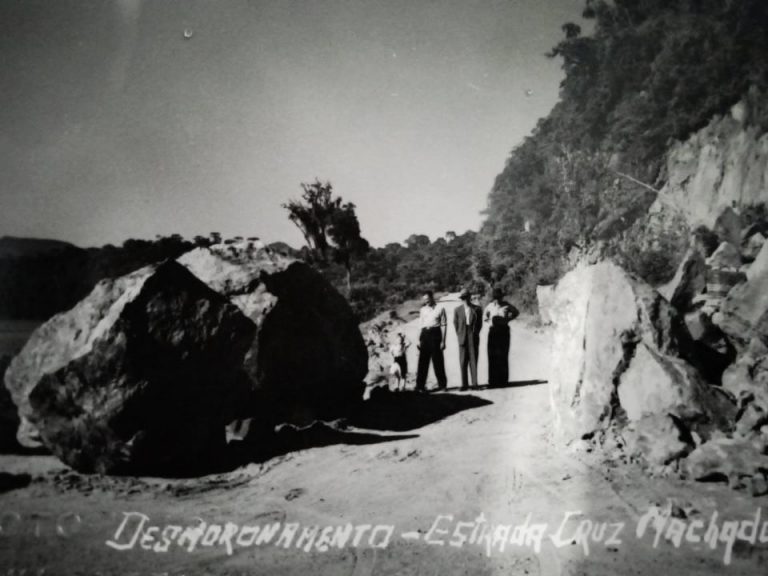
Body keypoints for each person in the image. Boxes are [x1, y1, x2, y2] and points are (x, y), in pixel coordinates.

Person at [483, 288, 519, 388]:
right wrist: (489, 322)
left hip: (504, 331)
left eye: (499, 298)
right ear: (493, 298)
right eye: (496, 298)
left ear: (502, 297)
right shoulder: (490, 306)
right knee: (492, 355)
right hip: (493, 331)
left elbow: (516, 312)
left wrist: (508, 319)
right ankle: (493, 381)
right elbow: (484, 316)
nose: (497, 300)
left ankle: (503, 381)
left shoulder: (507, 305)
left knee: (503, 355)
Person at [415, 290, 447, 392]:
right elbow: (420, 325)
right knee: (422, 362)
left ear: (432, 298)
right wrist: (418, 340)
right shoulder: (422, 310)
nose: (426, 301)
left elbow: (444, 325)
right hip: (424, 335)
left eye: (428, 299)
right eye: (425, 300)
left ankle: (442, 385)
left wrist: (443, 341)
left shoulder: (440, 308)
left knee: (438, 361)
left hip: (435, 334)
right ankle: (420, 386)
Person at [453, 288, 482, 390]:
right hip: (462, 336)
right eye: (463, 298)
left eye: (466, 297)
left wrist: (475, 334)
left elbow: (479, 324)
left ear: (470, 297)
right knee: (463, 361)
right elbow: (455, 324)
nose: (465, 300)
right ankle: (464, 384)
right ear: (461, 299)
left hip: (472, 335)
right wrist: (460, 335)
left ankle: (475, 384)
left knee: (473, 360)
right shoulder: (457, 310)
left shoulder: (477, 309)